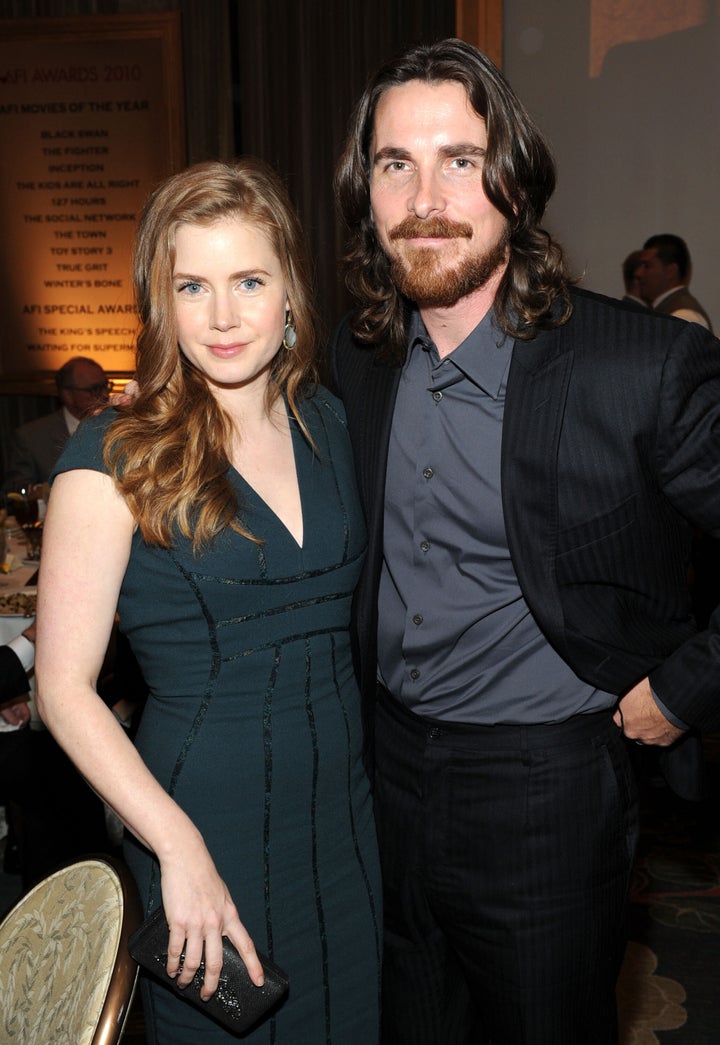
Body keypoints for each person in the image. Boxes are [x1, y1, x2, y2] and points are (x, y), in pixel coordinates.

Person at [330, 38, 720, 1045]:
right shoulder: (360, 359)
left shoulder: (643, 364)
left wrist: (685, 686)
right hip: (389, 775)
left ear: (513, 178)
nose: (426, 195)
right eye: (393, 164)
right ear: (364, 191)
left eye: (459, 159)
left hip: (546, 788)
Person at [35, 158, 381, 1045]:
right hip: (201, 821)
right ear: (162, 300)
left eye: (248, 281)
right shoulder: (114, 456)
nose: (223, 317)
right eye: (193, 285)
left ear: (288, 290)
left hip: (346, 819)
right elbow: (64, 688)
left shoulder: (332, 423)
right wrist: (174, 846)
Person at [3, 356, 111, 492]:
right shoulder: (31, 437)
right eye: (94, 389)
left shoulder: (117, 426)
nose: (105, 394)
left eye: (105, 386)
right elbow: (16, 494)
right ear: (68, 395)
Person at [637, 233, 713, 331]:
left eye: (647, 266)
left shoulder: (684, 316)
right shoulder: (674, 313)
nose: (638, 273)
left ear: (670, 271)